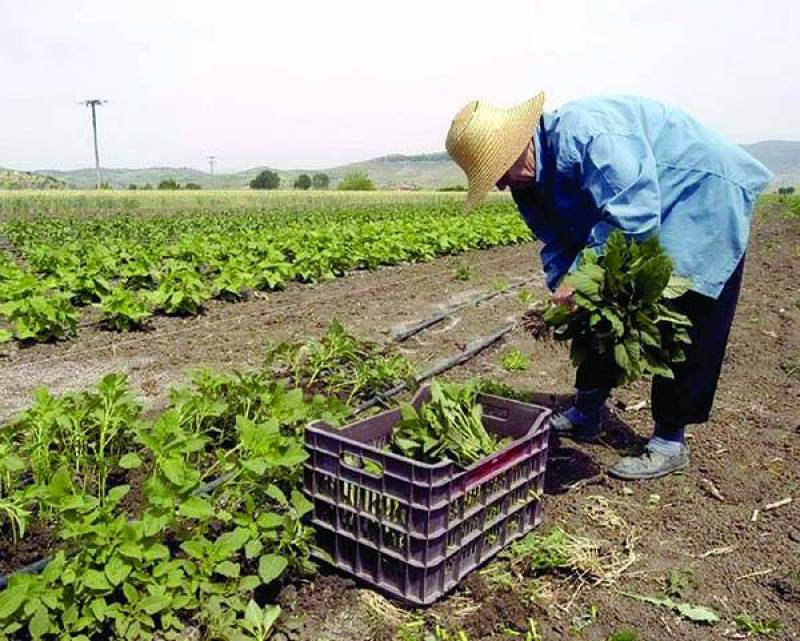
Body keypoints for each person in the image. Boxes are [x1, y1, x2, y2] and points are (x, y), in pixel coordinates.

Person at [445, 93, 773, 480]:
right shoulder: (527, 182)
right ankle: (587, 411)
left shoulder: (589, 134)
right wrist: (566, 284)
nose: (499, 184)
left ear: (519, 144)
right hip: (645, 204)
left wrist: (581, 276)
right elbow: (555, 241)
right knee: (596, 303)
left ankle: (670, 440)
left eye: (498, 170)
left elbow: (634, 217)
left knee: (687, 310)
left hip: (702, 192)